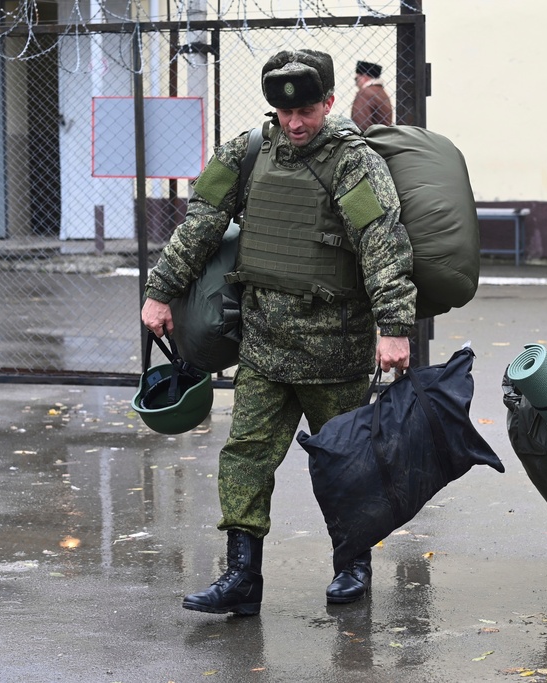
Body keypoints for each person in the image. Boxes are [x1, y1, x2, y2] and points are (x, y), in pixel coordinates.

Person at [141, 49, 416, 614]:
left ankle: (352, 564)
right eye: (284, 111)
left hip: (334, 349)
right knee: (244, 456)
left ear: (330, 103)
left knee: (345, 461)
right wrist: (160, 290)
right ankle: (242, 577)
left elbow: (384, 245)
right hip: (263, 345)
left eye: (308, 110)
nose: (295, 123)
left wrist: (394, 326)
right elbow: (201, 222)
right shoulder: (246, 154)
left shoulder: (353, 163)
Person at [351, 60, 393, 131]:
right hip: (382, 137)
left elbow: (359, 124)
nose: (356, 83)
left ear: (364, 77)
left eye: (356, 79)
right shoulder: (381, 92)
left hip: (368, 140)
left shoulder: (365, 93)